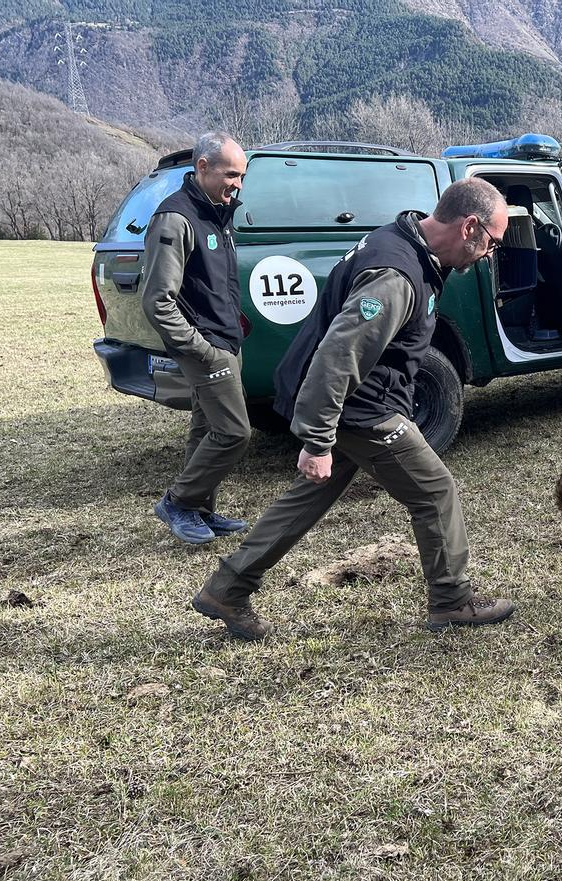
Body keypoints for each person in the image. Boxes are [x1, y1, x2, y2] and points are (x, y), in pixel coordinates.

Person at [191, 177, 515, 640]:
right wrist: (318, 438)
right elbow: (338, 354)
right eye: (492, 242)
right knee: (436, 493)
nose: (489, 254)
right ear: (469, 227)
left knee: (307, 497)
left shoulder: (405, 242)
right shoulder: (396, 276)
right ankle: (452, 600)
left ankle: (228, 587)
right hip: (361, 408)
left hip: (353, 401)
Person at [141, 131, 252, 545]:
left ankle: (200, 511)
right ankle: (177, 502)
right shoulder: (177, 217)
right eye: (231, 174)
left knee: (206, 428)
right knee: (235, 432)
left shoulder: (216, 213)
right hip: (204, 345)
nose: (237, 184)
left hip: (224, 340)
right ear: (202, 167)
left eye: (241, 176)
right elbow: (158, 300)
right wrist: (201, 349)